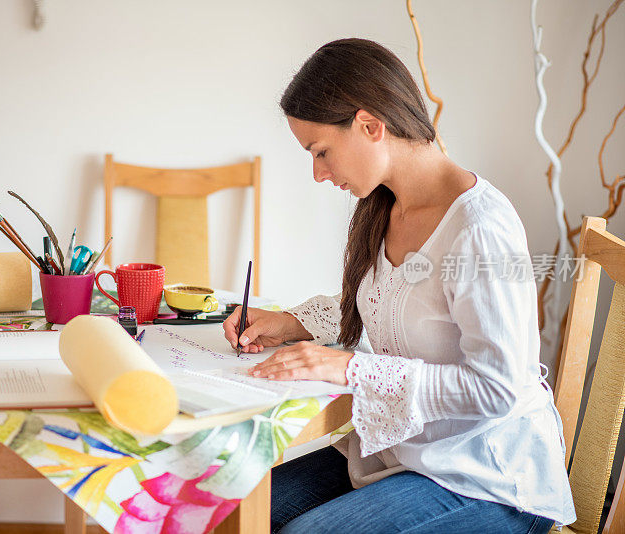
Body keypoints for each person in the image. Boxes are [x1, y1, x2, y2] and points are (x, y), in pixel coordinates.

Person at [222, 38, 575, 533]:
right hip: (402, 450)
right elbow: (394, 303)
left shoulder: (480, 230)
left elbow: (499, 388)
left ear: (370, 126)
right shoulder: (386, 206)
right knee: (235, 509)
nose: (318, 173)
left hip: (487, 477)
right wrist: (293, 323)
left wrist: (352, 368)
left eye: (321, 151)